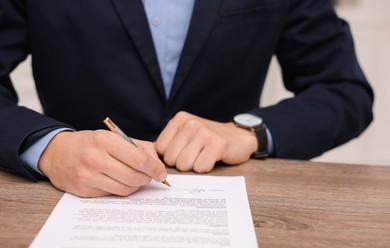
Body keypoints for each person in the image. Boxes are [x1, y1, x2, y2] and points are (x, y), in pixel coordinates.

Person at [0, 0, 373, 197]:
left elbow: (344, 90)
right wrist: (49, 148)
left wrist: (246, 132)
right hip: (68, 204)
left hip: (232, 210)